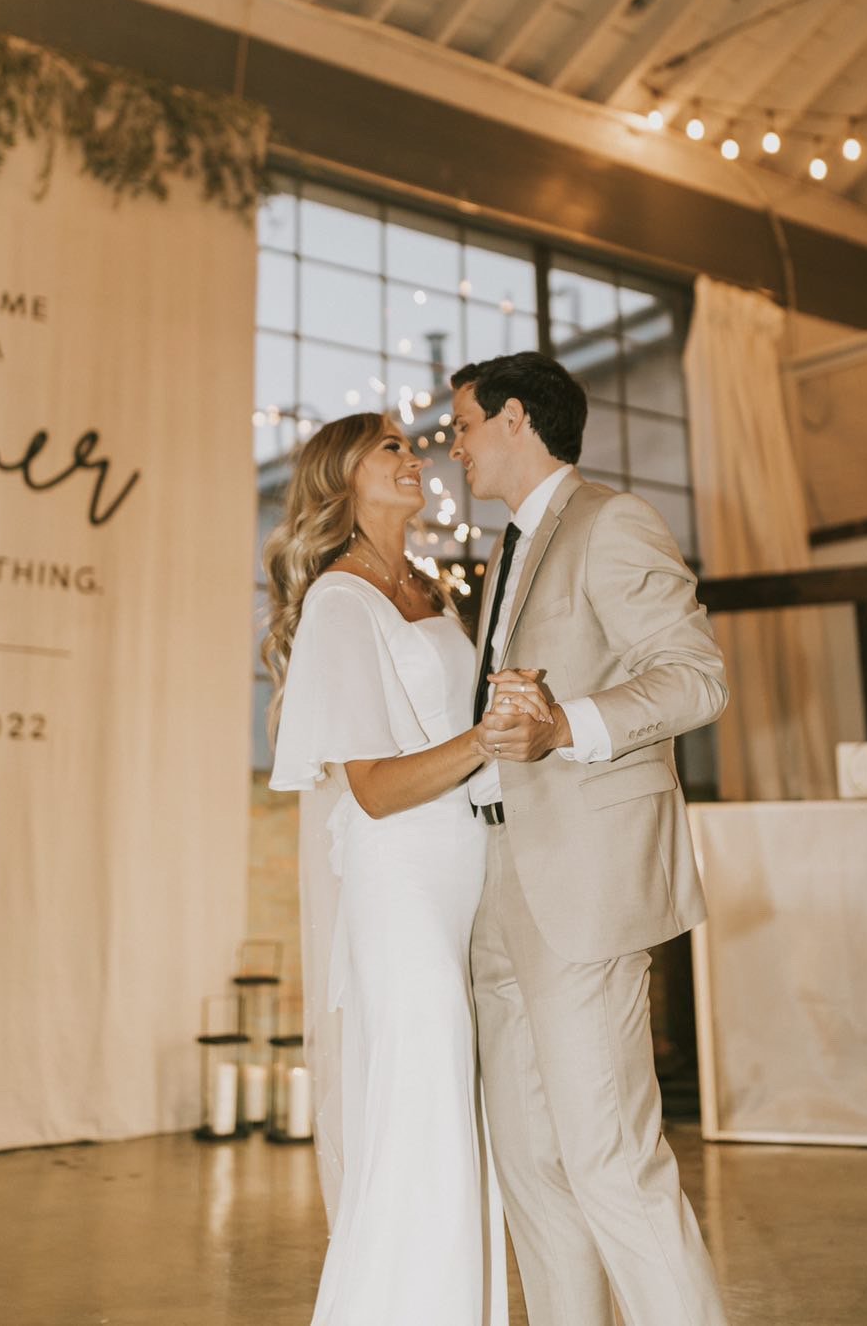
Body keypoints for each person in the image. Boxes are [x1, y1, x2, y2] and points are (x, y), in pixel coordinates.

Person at [451, 351, 730, 1326]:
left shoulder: (613, 521)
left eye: (464, 426)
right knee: (531, 1163)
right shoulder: (506, 553)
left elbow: (696, 676)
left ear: (515, 418)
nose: (454, 447)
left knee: (609, 1154)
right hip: (496, 879)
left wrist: (565, 724)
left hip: (582, 885)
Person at [266, 411, 541, 1326]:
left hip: (464, 869)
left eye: (412, 443)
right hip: (403, 882)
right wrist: (487, 737)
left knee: (454, 1110)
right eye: (391, 446)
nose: (415, 455)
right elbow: (375, 789)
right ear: (342, 473)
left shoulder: (426, 586)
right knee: (424, 1106)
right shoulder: (340, 601)